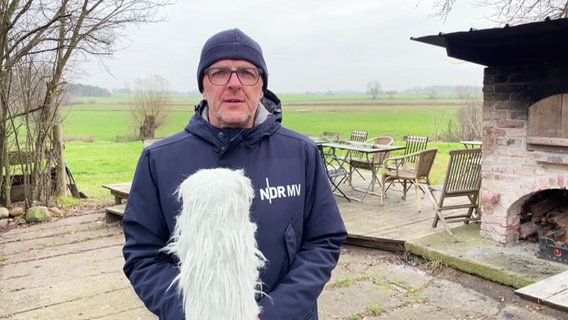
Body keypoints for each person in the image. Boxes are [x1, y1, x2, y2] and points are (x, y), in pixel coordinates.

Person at [122, 28, 347, 319]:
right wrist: (195, 313)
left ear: (261, 86)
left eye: (247, 73)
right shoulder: (160, 159)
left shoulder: (300, 152)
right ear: (203, 85)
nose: (234, 83)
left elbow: (323, 241)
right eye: (219, 73)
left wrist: (271, 314)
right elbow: (143, 256)